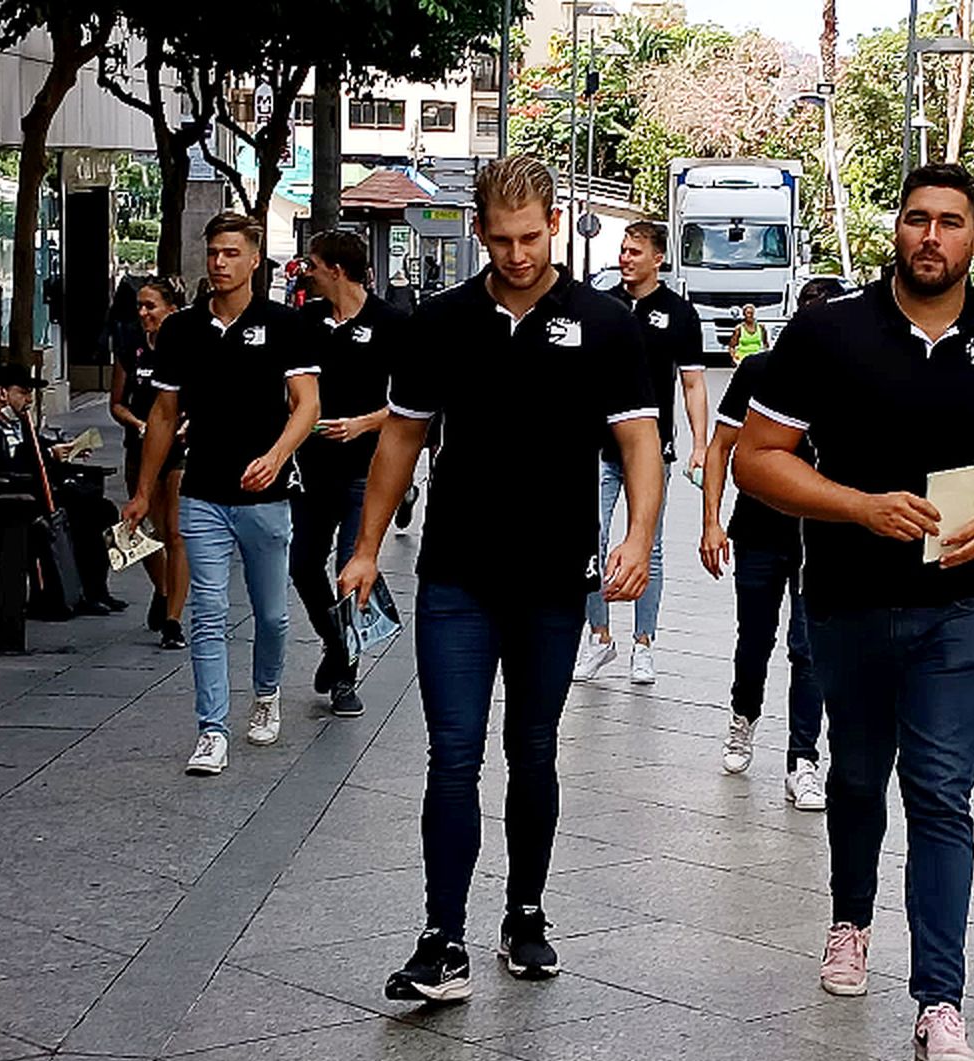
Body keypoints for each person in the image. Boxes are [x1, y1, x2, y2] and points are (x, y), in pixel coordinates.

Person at [735, 163, 974, 1061]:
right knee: (855, 778)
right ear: (897, 229)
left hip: (962, 607)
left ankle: (940, 1000)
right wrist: (855, 506)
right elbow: (757, 462)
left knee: (939, 796)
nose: (933, 236)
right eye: (918, 219)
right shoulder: (828, 331)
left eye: (952, 223)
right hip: (846, 599)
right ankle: (850, 921)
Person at [337, 155, 662, 1003]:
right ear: (479, 231)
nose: (518, 254)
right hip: (457, 574)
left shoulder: (606, 324)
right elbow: (400, 442)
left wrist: (639, 535)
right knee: (453, 755)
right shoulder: (440, 322)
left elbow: (637, 444)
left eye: (532, 236)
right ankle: (442, 938)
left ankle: (524, 913)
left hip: (554, 579)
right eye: (502, 237)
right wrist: (367, 546)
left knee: (533, 750)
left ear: (555, 223)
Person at [122, 211, 321, 777]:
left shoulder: (285, 325)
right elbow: (163, 415)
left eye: (232, 253)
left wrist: (277, 456)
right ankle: (212, 729)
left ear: (255, 258)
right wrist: (143, 491)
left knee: (273, 616)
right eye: (213, 253)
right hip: (203, 491)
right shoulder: (182, 330)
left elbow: (307, 404)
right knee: (207, 613)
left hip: (266, 496)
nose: (220, 263)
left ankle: (266, 691)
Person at [700, 276, 844, 810]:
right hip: (760, 530)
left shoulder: (849, 378)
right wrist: (711, 522)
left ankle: (803, 760)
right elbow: (720, 448)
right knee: (754, 639)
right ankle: (743, 715)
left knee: (809, 651)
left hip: (824, 539)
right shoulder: (762, 371)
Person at [573, 221, 707, 685]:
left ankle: (644, 644)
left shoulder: (679, 314)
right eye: (622, 251)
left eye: (634, 251)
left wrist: (699, 445)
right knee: (588, 540)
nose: (625, 258)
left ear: (658, 259)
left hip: (652, 449)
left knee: (647, 546)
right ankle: (599, 637)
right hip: (597, 443)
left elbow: (692, 383)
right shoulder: (602, 305)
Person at [291, 229, 404, 719]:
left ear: (336, 269)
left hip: (367, 471)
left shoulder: (391, 323)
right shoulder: (308, 321)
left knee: (350, 573)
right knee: (301, 565)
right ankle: (334, 644)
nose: (306, 272)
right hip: (312, 469)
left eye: (312, 265)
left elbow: (411, 404)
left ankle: (344, 677)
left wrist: (364, 423)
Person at [0, 364, 124, 615]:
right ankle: (72, 593)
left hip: (37, 495)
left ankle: (95, 590)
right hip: (6, 502)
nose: (28, 401)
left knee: (103, 511)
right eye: (23, 393)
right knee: (80, 518)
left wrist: (66, 448)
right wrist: (48, 455)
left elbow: (39, 445)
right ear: (2, 393)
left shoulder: (20, 422)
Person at [109, 277, 189, 648]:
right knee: (142, 530)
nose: (143, 314)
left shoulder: (188, 347)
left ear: (170, 309)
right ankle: (161, 588)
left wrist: (187, 423)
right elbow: (117, 403)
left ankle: (173, 619)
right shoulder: (130, 347)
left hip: (180, 450)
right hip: (139, 447)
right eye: (139, 306)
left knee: (175, 532)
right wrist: (138, 424)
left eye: (150, 306)